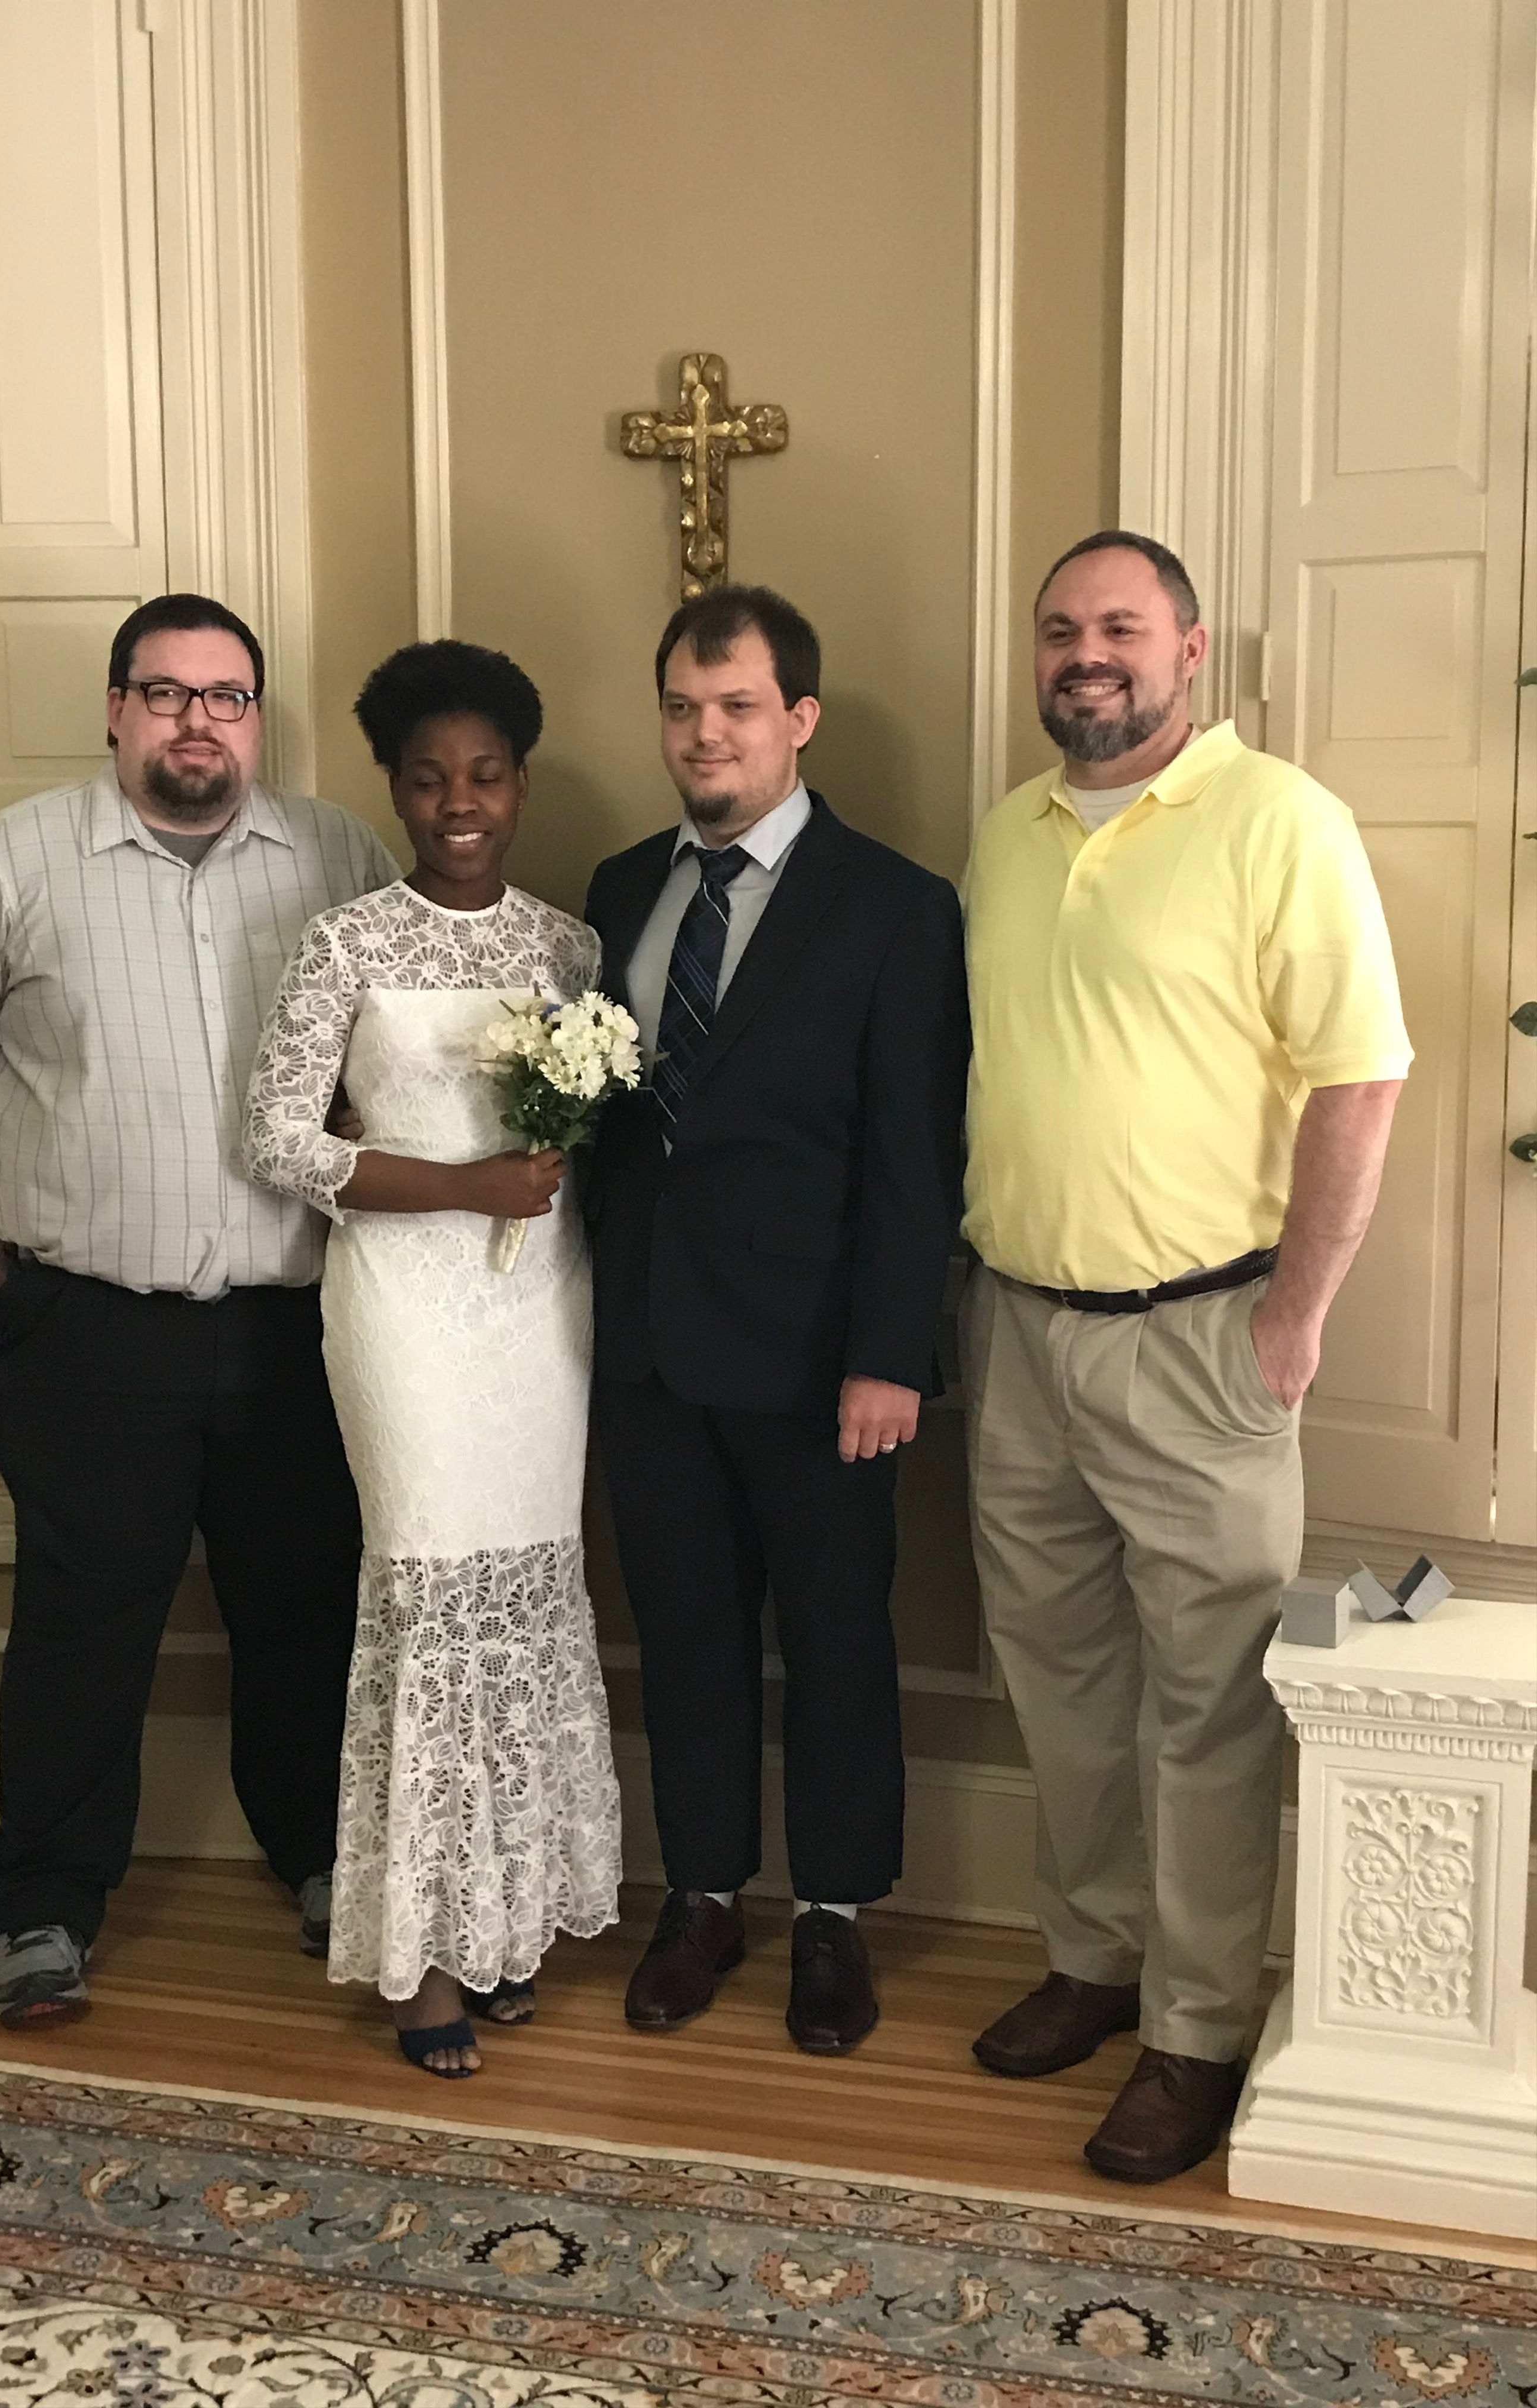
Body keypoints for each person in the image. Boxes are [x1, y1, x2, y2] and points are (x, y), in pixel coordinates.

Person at [0, 593, 399, 2028]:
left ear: (256, 719)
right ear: (117, 710)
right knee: (81, 1626)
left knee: (305, 1610)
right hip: (90, 1332)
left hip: (296, 1330)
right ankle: (44, 1905)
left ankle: (320, 1857)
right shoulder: (12, 862)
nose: (196, 722)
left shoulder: (341, 856)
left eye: (226, 697)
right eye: (166, 693)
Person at [961, 530, 1410, 2182]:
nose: (1087, 653)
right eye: (1060, 628)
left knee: (1210, 1708)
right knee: (1062, 1686)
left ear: (1191, 649)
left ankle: (1199, 2028)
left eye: (1121, 627)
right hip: (1018, 1333)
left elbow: (1361, 1077)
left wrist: (1295, 1315)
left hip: (1205, 1340)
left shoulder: (1281, 821)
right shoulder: (1006, 834)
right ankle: (1093, 1959)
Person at [585, 585, 969, 2055]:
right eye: (683, 707)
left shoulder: (894, 906)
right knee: (684, 1634)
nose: (707, 734)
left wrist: (890, 1355)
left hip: (822, 1364)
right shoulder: (623, 887)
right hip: (651, 1351)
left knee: (835, 1640)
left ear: (798, 720)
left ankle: (833, 1916)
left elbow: (914, 1155)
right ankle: (700, 1898)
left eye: (738, 707)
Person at [242, 639, 621, 2080]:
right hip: (403, 1313)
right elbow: (279, 1140)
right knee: (427, 1601)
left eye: (486, 775)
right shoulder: (346, 943)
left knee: (526, 1597)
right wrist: (466, 1187)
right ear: (395, 791)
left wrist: (533, 1179)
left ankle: (503, 1926)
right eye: (428, 778)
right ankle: (423, 1966)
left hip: (540, 1314)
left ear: (520, 784)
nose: (460, 802)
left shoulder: (569, 950)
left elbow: (588, 1138)